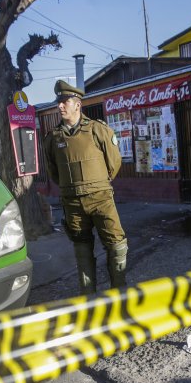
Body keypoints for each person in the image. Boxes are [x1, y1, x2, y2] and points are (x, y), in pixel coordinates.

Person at [42, 80, 128, 295]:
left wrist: (97, 184)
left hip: (101, 198)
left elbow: (114, 163)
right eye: (59, 103)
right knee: (82, 249)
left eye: (64, 102)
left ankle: (118, 293)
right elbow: (53, 171)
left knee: (116, 244)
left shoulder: (98, 130)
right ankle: (88, 299)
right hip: (72, 203)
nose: (60, 106)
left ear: (77, 104)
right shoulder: (53, 138)